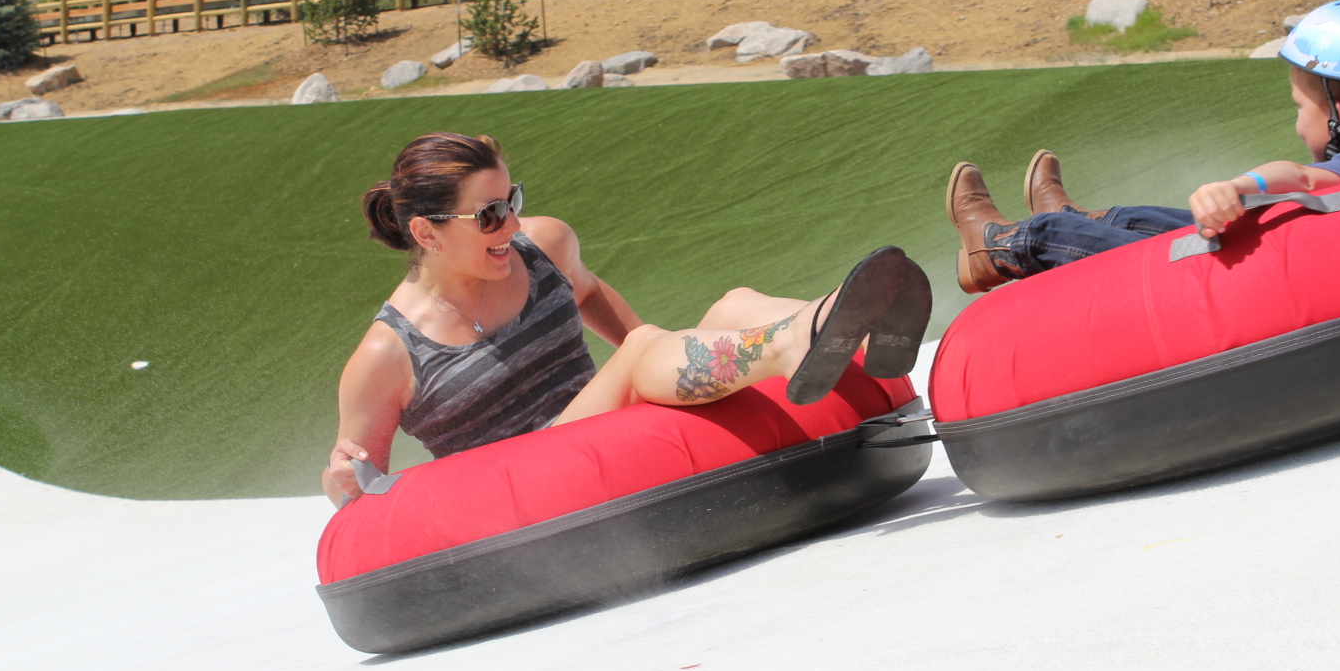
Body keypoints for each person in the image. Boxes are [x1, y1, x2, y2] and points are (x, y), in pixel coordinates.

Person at [323, 132, 929, 505]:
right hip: (528, 476)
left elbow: (590, 296)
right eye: (487, 216)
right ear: (427, 232)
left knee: (730, 304)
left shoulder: (543, 246)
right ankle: (792, 345)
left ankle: (846, 319)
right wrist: (341, 482)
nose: (509, 225)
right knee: (642, 348)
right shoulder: (388, 354)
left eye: (513, 202)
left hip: (599, 423)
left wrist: (673, 353)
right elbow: (362, 479)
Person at [947, 0, 1340, 293]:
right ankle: (1085, 220)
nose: (1298, 120)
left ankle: (1001, 245)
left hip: (1228, 283)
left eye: (1301, 107)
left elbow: (1299, 178)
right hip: (1278, 252)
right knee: (1148, 217)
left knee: (1054, 231)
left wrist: (1238, 185)